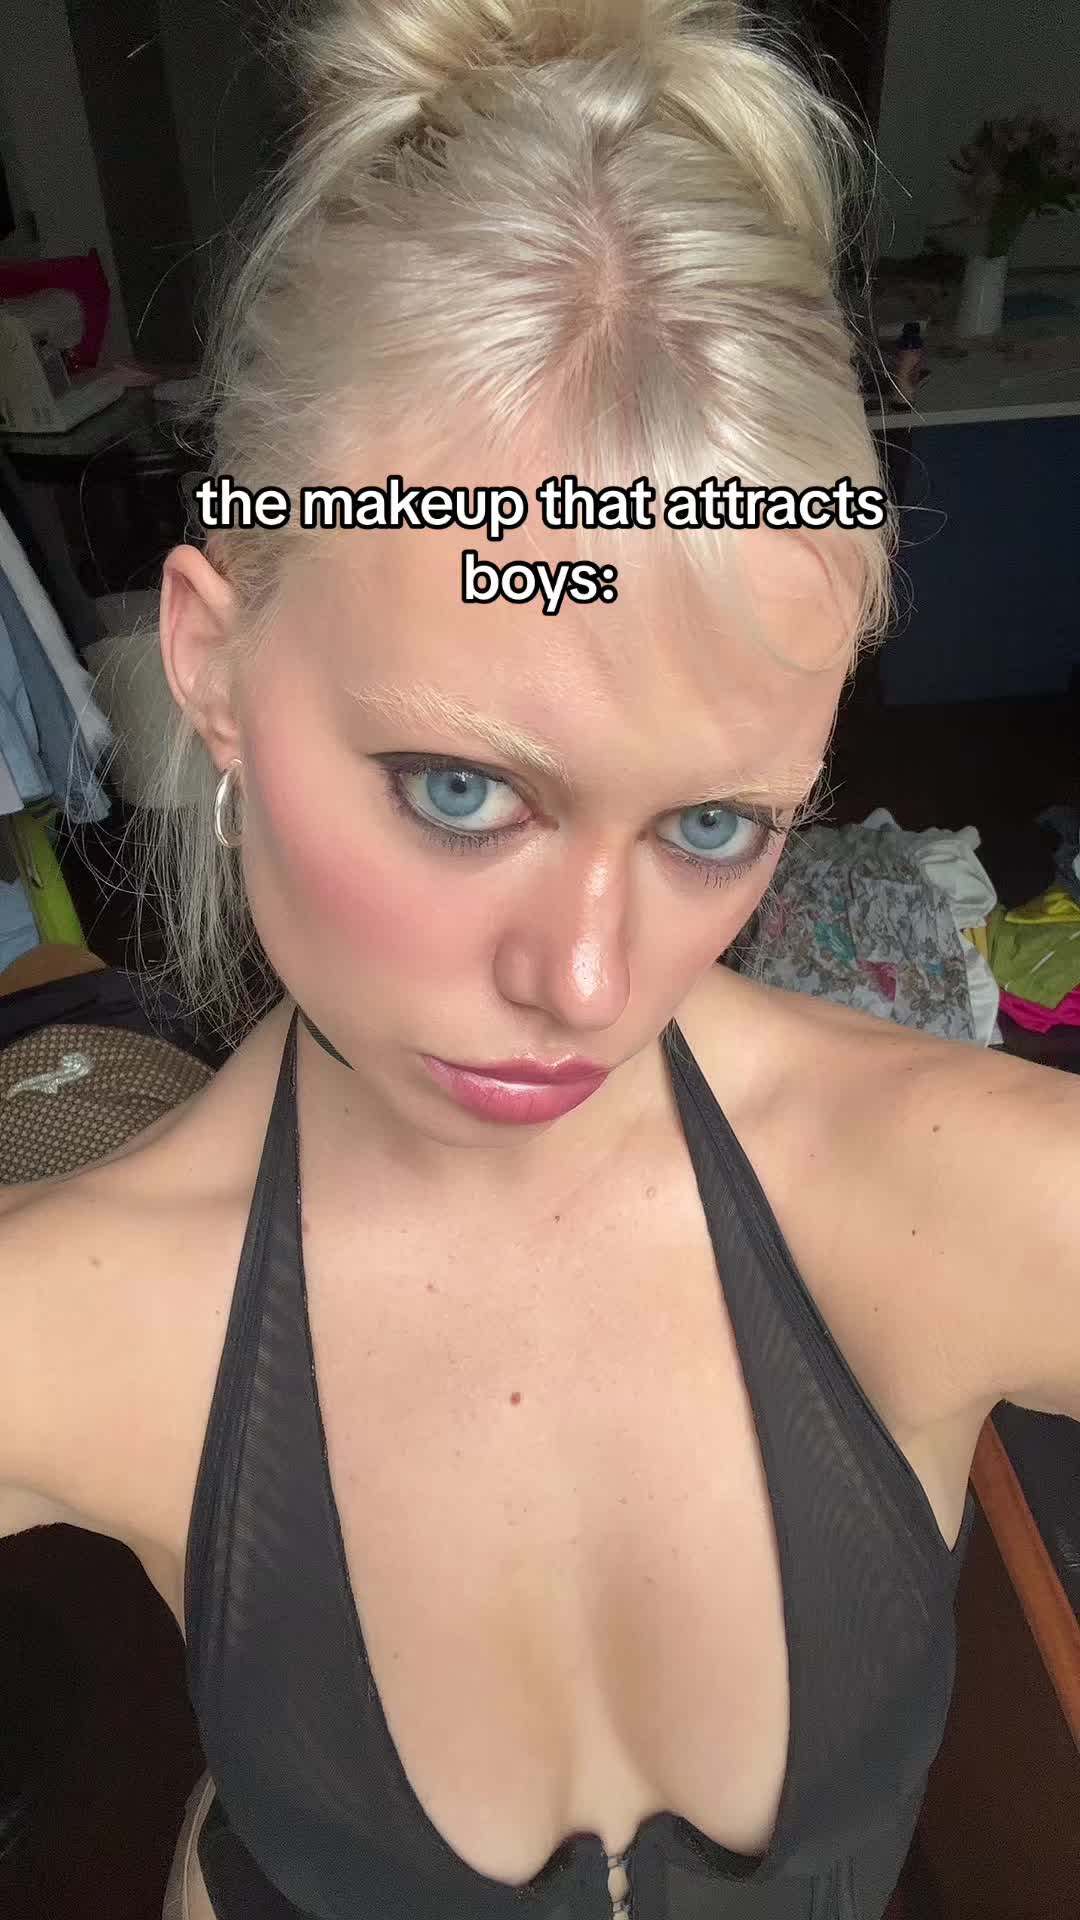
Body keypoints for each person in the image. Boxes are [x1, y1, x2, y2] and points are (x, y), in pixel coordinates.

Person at [2, 2, 1078, 1917]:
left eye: (713, 825)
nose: (591, 985)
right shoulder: (75, 1329)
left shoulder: (962, 1199)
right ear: (213, 664)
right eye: (463, 791)